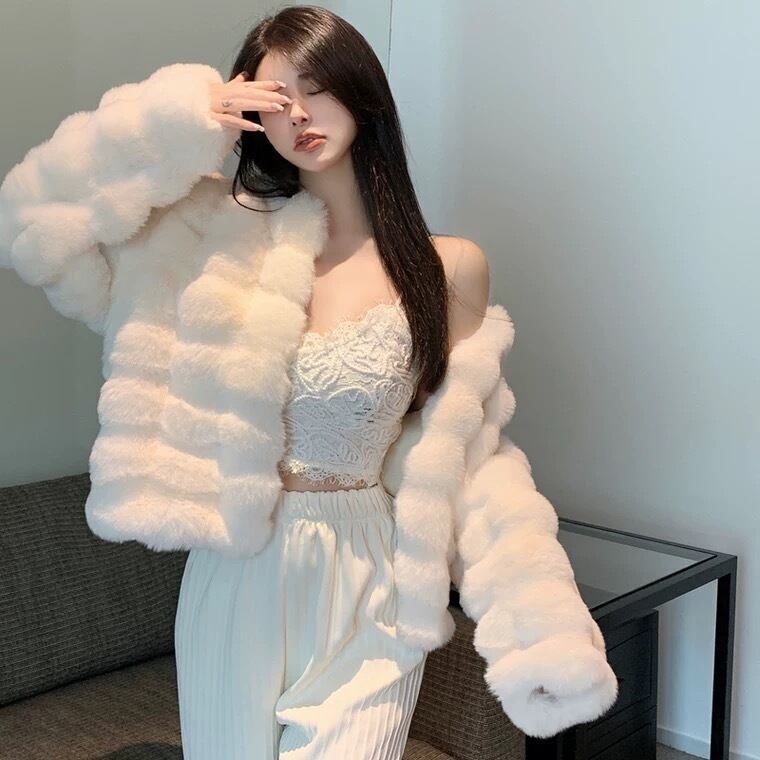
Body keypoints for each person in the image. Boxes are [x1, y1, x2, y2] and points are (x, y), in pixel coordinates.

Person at [0, 5, 618, 758]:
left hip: (372, 576)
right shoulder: (204, 245)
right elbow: (32, 222)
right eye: (274, 98)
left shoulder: (449, 267)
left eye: (317, 87)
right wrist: (187, 116)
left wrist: (540, 623)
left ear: (362, 93)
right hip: (240, 571)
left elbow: (468, 454)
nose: (298, 113)